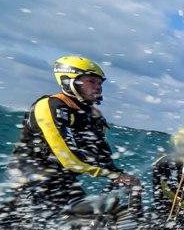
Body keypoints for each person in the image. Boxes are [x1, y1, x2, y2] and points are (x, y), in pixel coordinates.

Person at [9, 55, 139, 210]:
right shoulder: (49, 106)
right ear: (68, 81)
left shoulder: (91, 114)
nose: (98, 87)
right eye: (91, 81)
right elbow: (68, 158)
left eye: (99, 83)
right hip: (33, 173)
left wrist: (120, 175)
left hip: (62, 176)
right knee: (76, 215)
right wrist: (114, 175)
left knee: (98, 212)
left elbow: (101, 153)